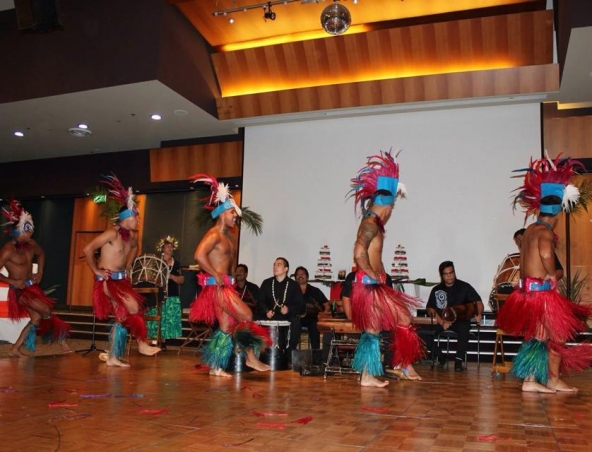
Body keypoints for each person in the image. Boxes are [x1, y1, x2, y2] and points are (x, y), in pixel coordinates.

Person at [497, 154, 592, 393]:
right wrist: (551, 275)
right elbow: (547, 254)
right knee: (554, 335)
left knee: (539, 336)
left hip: (527, 292)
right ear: (558, 213)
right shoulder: (545, 233)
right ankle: (543, 380)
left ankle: (539, 380)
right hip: (541, 293)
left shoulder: (530, 229)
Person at [346, 150, 424, 387]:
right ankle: (372, 375)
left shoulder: (373, 223)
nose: (391, 212)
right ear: (387, 205)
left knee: (396, 321)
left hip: (373, 284)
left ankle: (389, 367)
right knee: (378, 327)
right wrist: (373, 276)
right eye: (392, 207)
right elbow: (359, 251)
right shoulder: (370, 224)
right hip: (369, 286)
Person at [189, 174, 270, 377]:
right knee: (247, 315)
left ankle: (216, 367)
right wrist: (215, 273)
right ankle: (250, 357)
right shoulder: (214, 234)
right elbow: (199, 255)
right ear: (223, 213)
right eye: (233, 213)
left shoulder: (229, 238)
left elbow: (230, 265)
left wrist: (232, 278)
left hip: (225, 286)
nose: (236, 216)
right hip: (216, 288)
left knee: (226, 327)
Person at [83, 174, 161, 367]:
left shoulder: (131, 237)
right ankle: (142, 344)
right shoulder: (112, 233)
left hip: (121, 280)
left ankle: (112, 357)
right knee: (134, 307)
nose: (138, 219)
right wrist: (96, 270)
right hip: (107, 281)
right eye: (135, 216)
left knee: (121, 317)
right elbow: (88, 249)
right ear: (125, 218)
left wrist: (127, 267)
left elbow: (134, 249)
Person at [0, 200, 70, 357]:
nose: (30, 233)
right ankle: (62, 341)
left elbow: (41, 253)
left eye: (31, 230)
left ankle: (14, 349)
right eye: (27, 231)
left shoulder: (31, 244)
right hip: (18, 290)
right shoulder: (8, 250)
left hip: (32, 287)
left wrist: (40, 272)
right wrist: (13, 282)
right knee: (45, 309)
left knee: (36, 318)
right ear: (18, 231)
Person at [426, 261, 483, 372]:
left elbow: (479, 303)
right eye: (446, 274)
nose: (449, 276)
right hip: (441, 320)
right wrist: (442, 322)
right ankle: (441, 357)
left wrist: (479, 314)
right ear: (441, 275)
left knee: (465, 328)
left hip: (460, 321)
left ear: (454, 272)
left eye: (451, 272)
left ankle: (458, 361)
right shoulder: (436, 290)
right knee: (423, 333)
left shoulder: (464, 287)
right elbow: (430, 309)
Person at [258, 257, 306, 352]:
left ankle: (289, 354)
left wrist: (289, 310)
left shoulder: (293, 285)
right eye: (274, 264)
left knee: (296, 323)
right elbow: (260, 302)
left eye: (279, 264)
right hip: (271, 316)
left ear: (286, 269)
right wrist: (266, 311)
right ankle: (265, 354)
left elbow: (301, 306)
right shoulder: (266, 283)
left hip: (288, 317)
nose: (275, 267)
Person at [146, 235, 184, 351]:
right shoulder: (156, 261)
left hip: (171, 294)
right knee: (157, 316)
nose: (170, 249)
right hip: (158, 294)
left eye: (171, 247)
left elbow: (181, 280)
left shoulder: (176, 263)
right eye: (168, 246)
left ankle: (163, 342)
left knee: (167, 318)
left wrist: (172, 276)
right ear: (162, 248)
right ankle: (155, 341)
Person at [294, 266, 328, 350]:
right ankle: (291, 355)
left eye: (302, 274)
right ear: (295, 278)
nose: (300, 276)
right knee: (293, 325)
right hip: (296, 318)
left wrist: (324, 315)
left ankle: (316, 356)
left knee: (314, 326)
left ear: (307, 277)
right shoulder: (291, 291)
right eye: (298, 275)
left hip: (311, 318)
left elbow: (326, 305)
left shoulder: (315, 291)